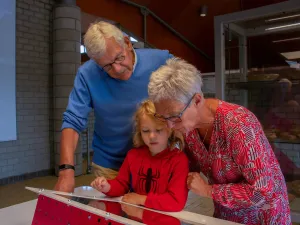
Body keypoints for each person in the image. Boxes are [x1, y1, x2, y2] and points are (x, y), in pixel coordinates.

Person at [147, 58, 291, 224]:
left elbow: (262, 191)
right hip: (226, 215)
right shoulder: (187, 127)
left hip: (263, 216)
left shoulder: (238, 124)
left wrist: (208, 190)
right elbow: (189, 165)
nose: (170, 125)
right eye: (162, 118)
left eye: (175, 117)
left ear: (197, 100)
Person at [54, 21, 173, 192]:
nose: (117, 69)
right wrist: (66, 172)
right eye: (107, 66)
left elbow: (188, 91)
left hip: (156, 159)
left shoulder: (161, 60)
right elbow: (72, 121)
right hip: (110, 166)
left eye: (119, 57)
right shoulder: (87, 74)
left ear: (127, 43)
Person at [91, 100, 189, 212]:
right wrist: (107, 186)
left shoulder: (179, 160)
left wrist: (141, 199)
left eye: (158, 130)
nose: (152, 136)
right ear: (139, 132)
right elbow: (121, 184)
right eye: (146, 131)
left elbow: (176, 201)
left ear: (170, 130)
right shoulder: (133, 155)